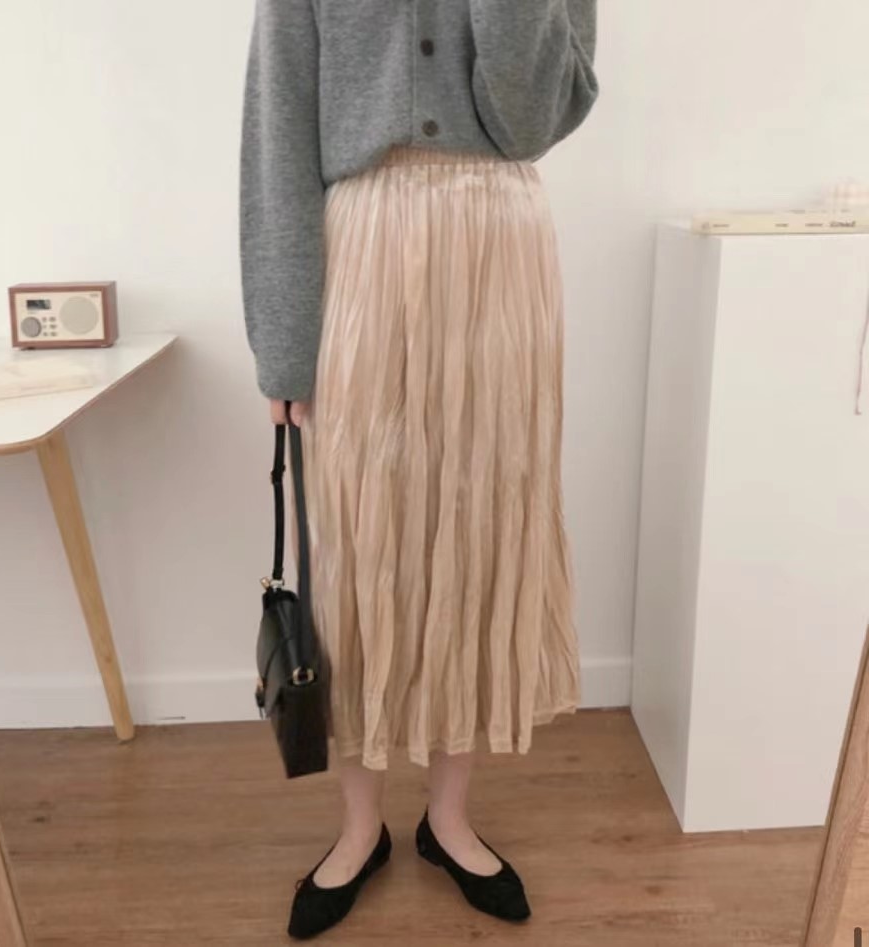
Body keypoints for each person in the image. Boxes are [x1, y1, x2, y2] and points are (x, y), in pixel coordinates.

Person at [239, 0, 599, 938]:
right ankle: (360, 826)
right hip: (362, 250)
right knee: (358, 547)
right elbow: (279, 130)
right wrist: (283, 343)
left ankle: (448, 817)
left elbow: (535, 117)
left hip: (500, 254)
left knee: (481, 532)